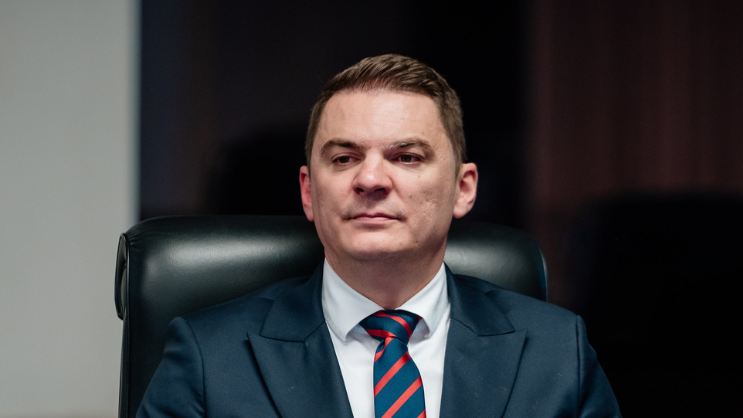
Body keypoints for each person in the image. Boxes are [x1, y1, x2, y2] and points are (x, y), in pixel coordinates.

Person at [138, 54, 621, 418]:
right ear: (308, 192)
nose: (370, 179)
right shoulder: (209, 358)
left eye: (407, 157)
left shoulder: (558, 352)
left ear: (463, 189)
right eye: (343, 158)